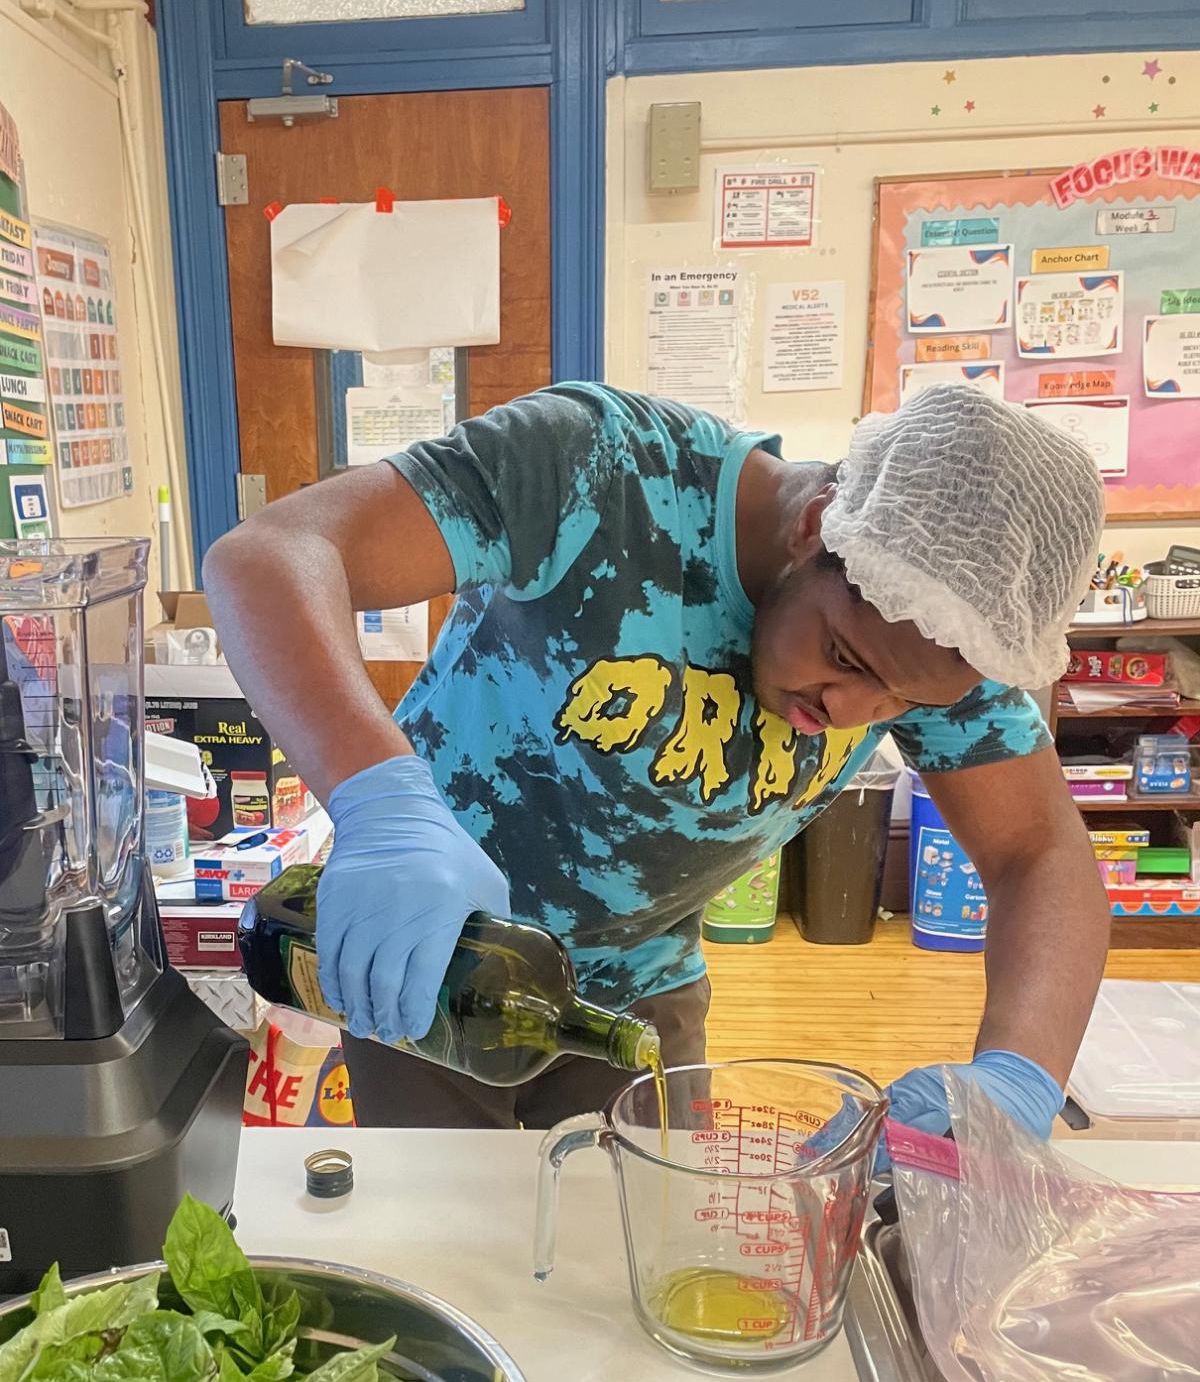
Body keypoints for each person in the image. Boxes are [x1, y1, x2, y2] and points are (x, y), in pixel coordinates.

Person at [204, 381, 1110, 1137]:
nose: (852, 715)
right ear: (820, 522)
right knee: (446, 1265)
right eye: (845, 657)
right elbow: (271, 555)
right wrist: (382, 805)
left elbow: (1041, 855)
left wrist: (1016, 1078)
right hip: (431, 955)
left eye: (903, 706)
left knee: (642, 1268)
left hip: (642, 990)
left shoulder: (942, 636)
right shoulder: (605, 471)